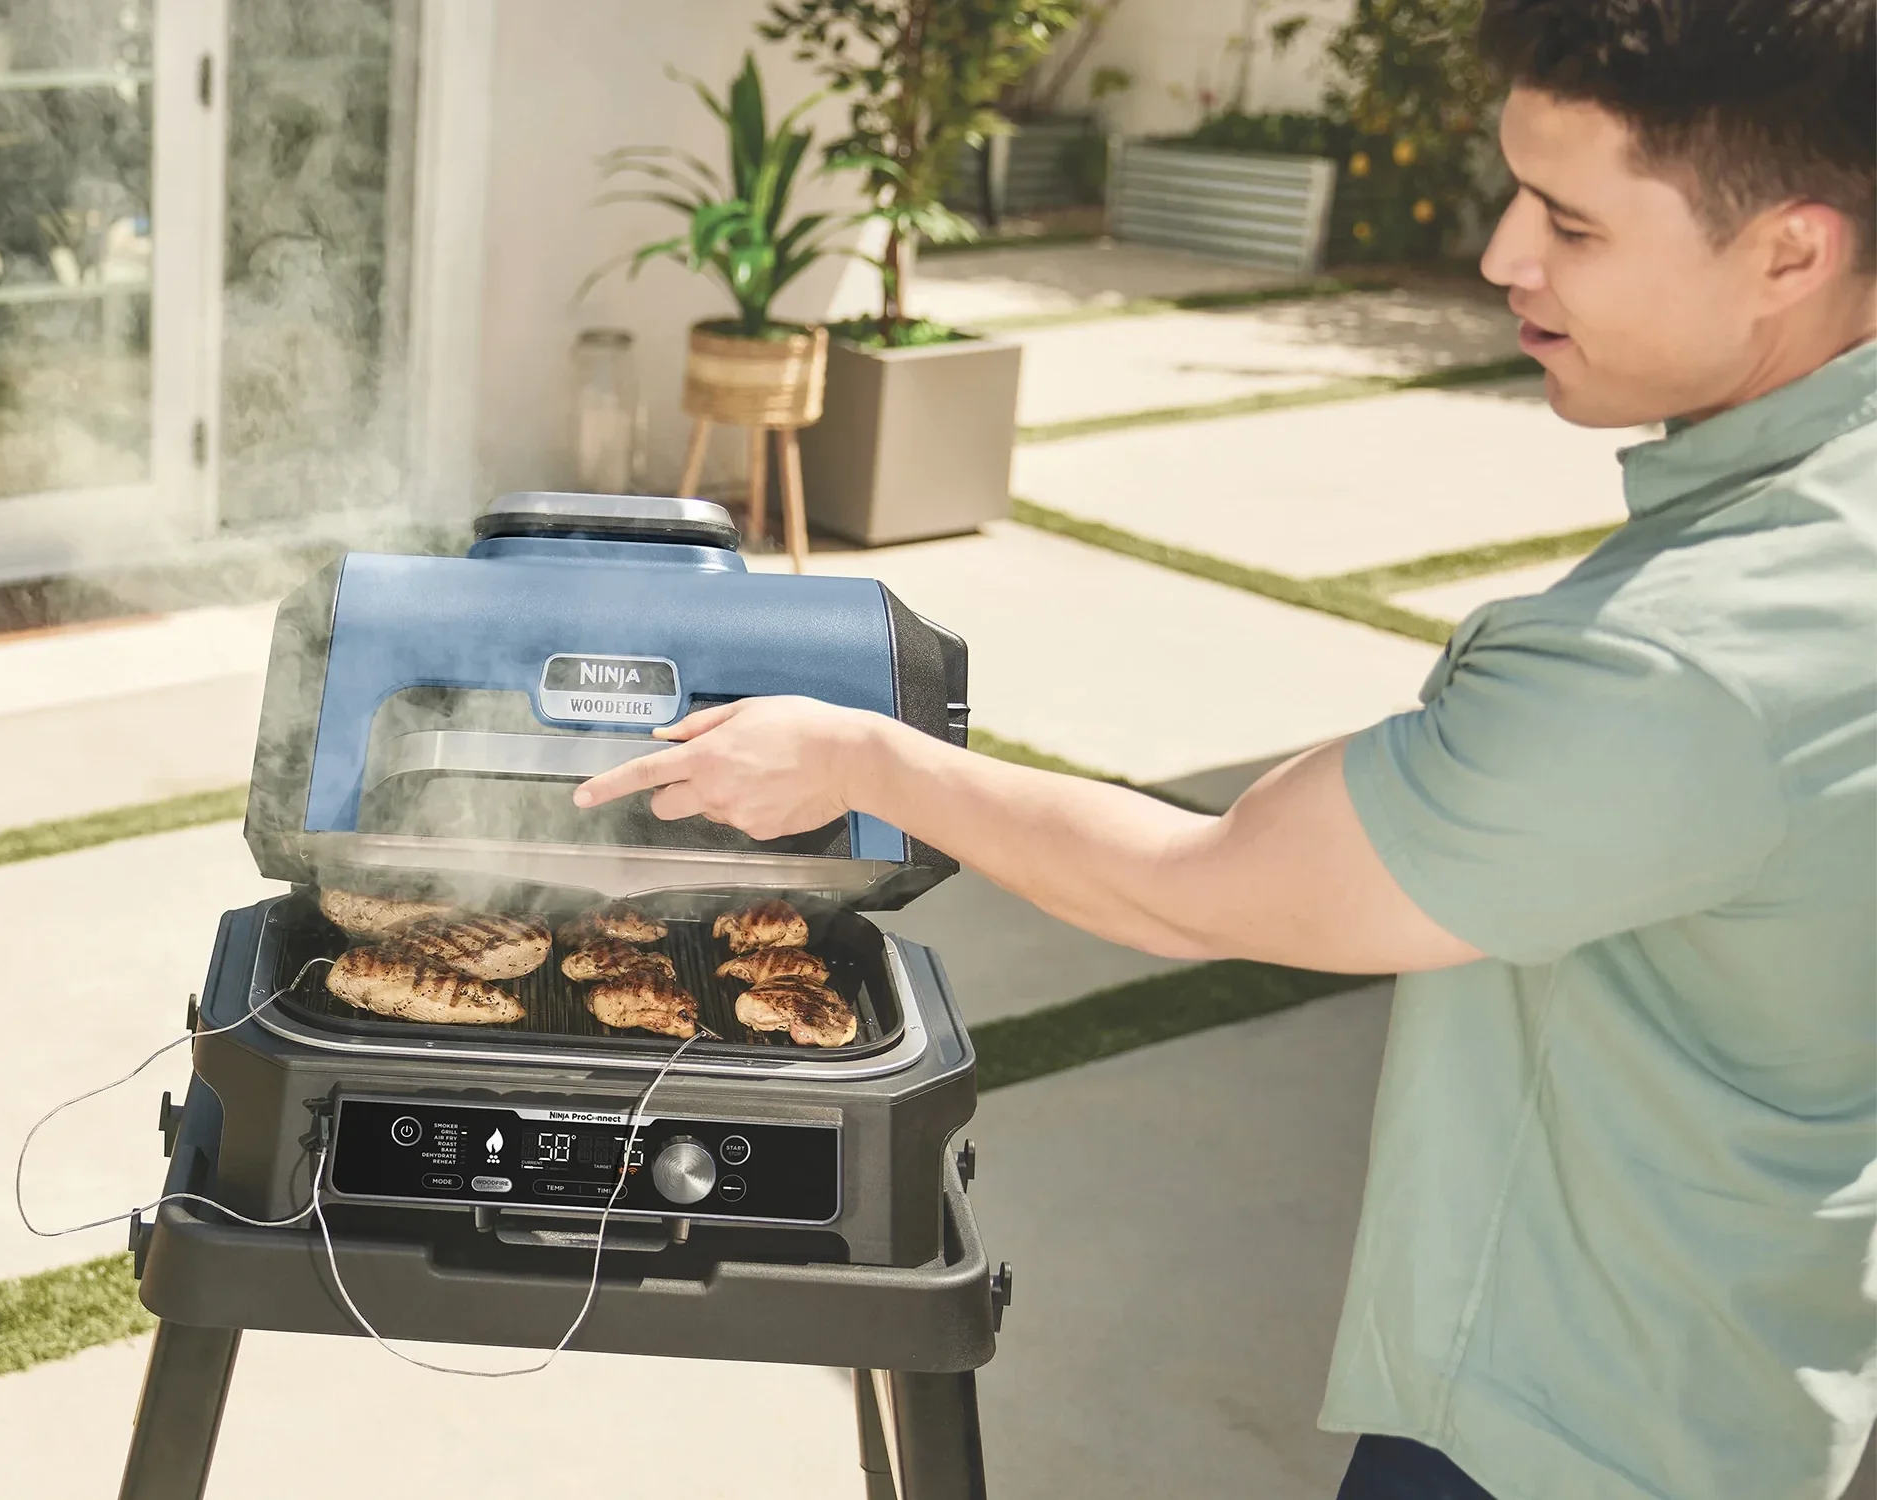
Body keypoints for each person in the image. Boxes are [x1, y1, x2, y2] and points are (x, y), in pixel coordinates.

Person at [577, 1, 1877, 1494]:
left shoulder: (1683, 659)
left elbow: (1205, 887)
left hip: (1569, 1438)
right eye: (1516, 193)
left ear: (1791, 249)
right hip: (1745, 1388)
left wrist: (866, 760)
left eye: (1569, 225)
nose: (1503, 256)